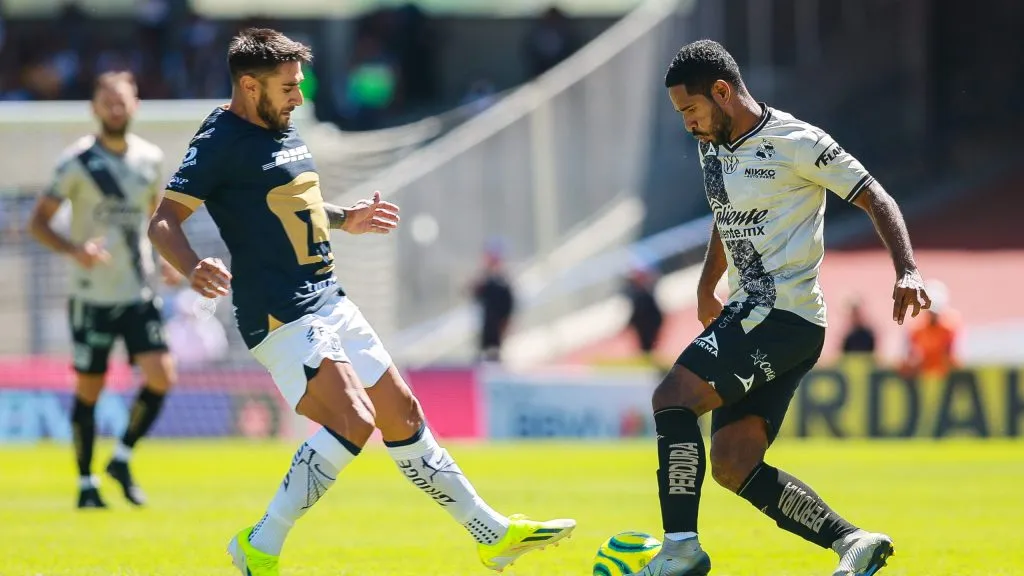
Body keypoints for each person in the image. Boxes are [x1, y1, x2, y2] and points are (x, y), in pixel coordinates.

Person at [147, 28, 574, 576]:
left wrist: (347, 218)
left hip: (329, 296)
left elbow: (294, 203)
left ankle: (490, 534)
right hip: (279, 309)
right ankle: (261, 543)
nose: (299, 96)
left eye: (299, 85)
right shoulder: (220, 139)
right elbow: (163, 221)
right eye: (288, 87)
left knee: (403, 413)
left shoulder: (284, 129)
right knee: (355, 419)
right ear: (250, 86)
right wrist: (192, 266)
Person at [638, 40, 932, 576]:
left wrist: (907, 269)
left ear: (722, 92)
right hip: (757, 316)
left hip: (782, 315)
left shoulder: (797, 142)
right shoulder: (715, 144)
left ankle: (680, 547)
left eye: (691, 110)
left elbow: (875, 196)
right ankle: (853, 542)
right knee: (732, 463)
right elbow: (727, 215)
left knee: (671, 398)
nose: (688, 124)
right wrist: (708, 284)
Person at [27, 71, 179, 509]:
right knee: (89, 390)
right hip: (91, 295)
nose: (115, 108)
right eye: (107, 101)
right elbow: (37, 222)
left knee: (162, 376)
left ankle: (123, 456)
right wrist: (75, 249)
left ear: (135, 106)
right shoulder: (76, 161)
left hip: (136, 291)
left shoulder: (150, 159)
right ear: (94, 108)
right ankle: (85, 483)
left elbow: (158, 219)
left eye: (123, 100)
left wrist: (168, 261)